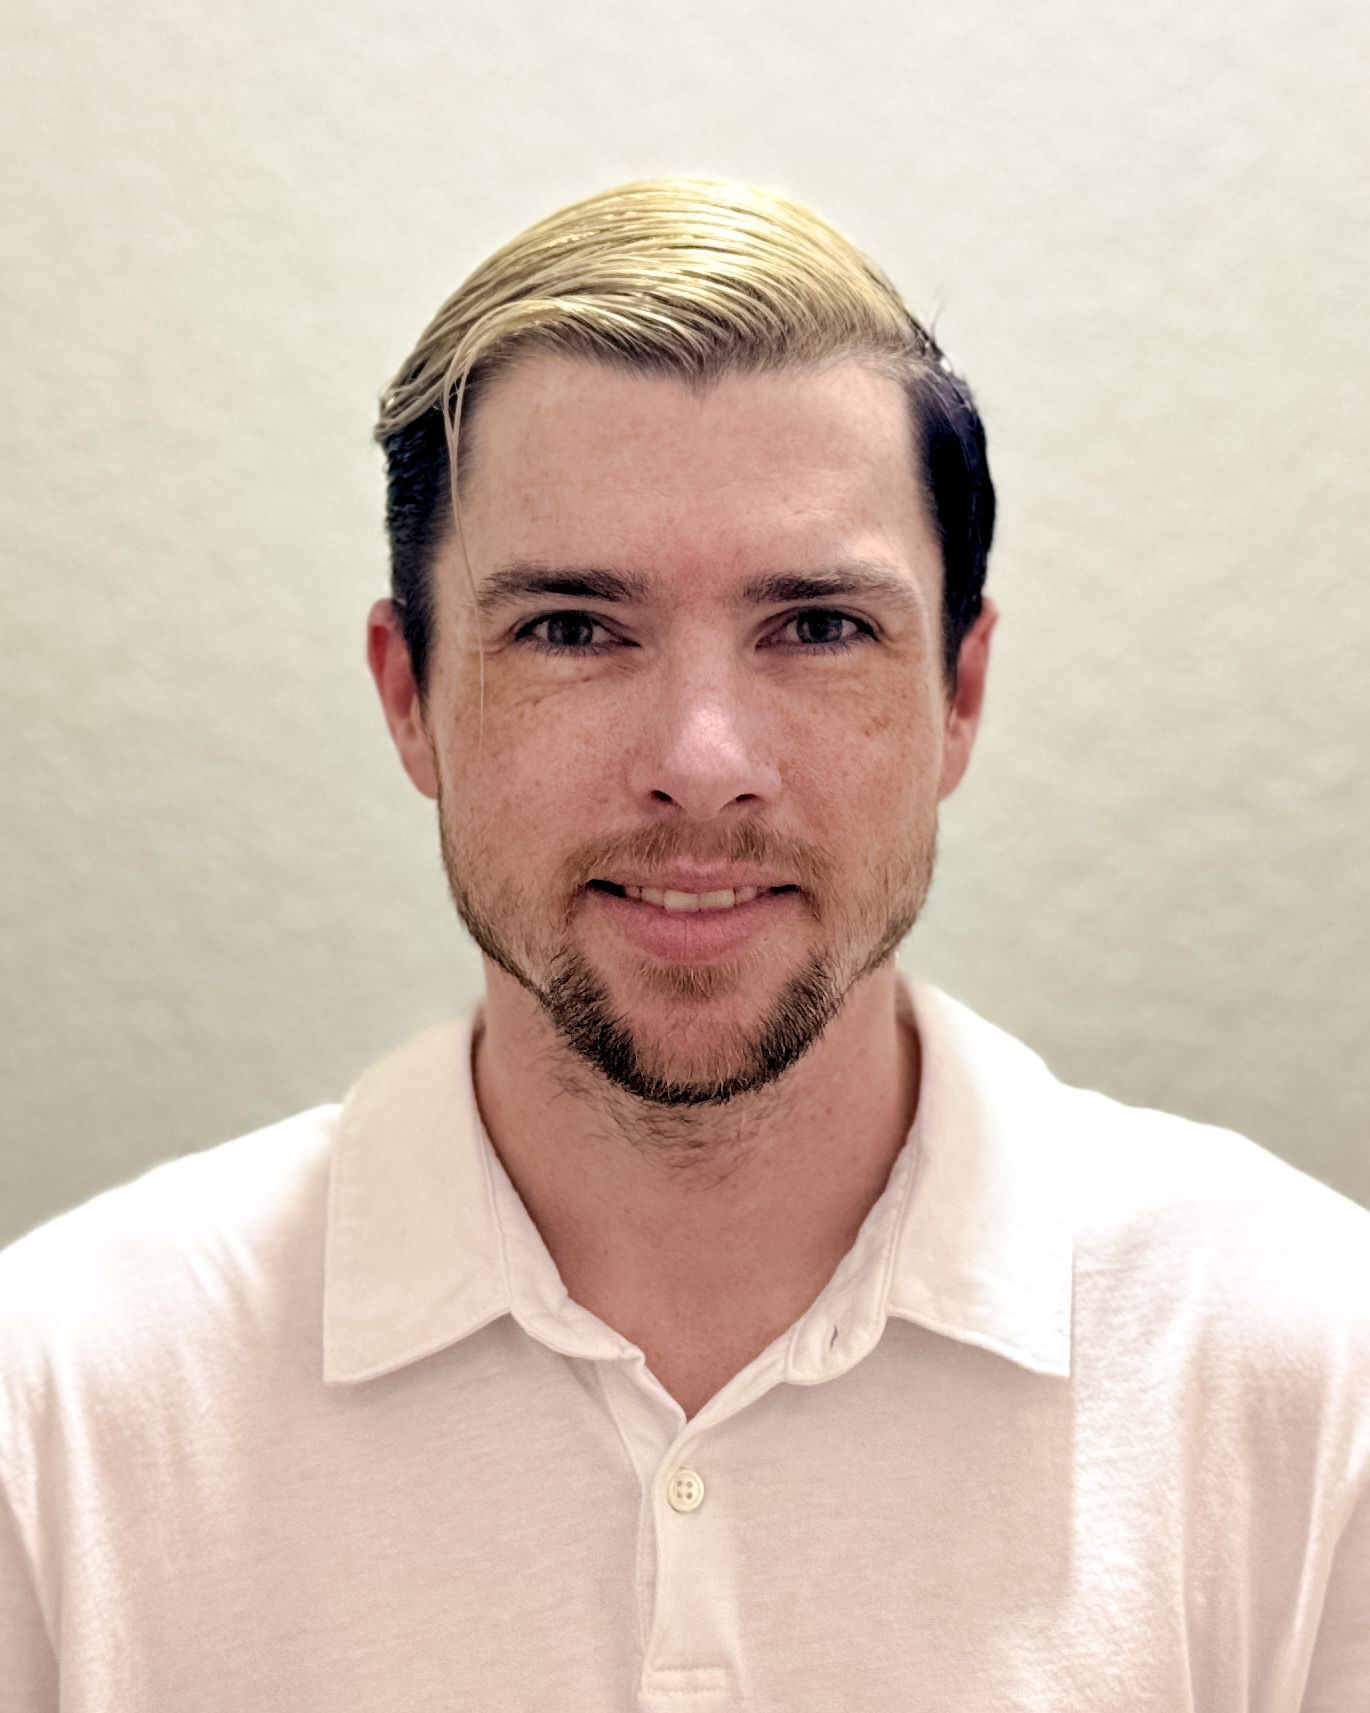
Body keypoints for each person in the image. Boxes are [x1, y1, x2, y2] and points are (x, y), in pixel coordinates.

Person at [1, 179, 1366, 1711]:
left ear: (959, 697)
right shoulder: (56, 1409)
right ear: (409, 697)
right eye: (573, 628)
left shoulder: (1311, 1372)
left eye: (819, 626)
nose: (701, 759)